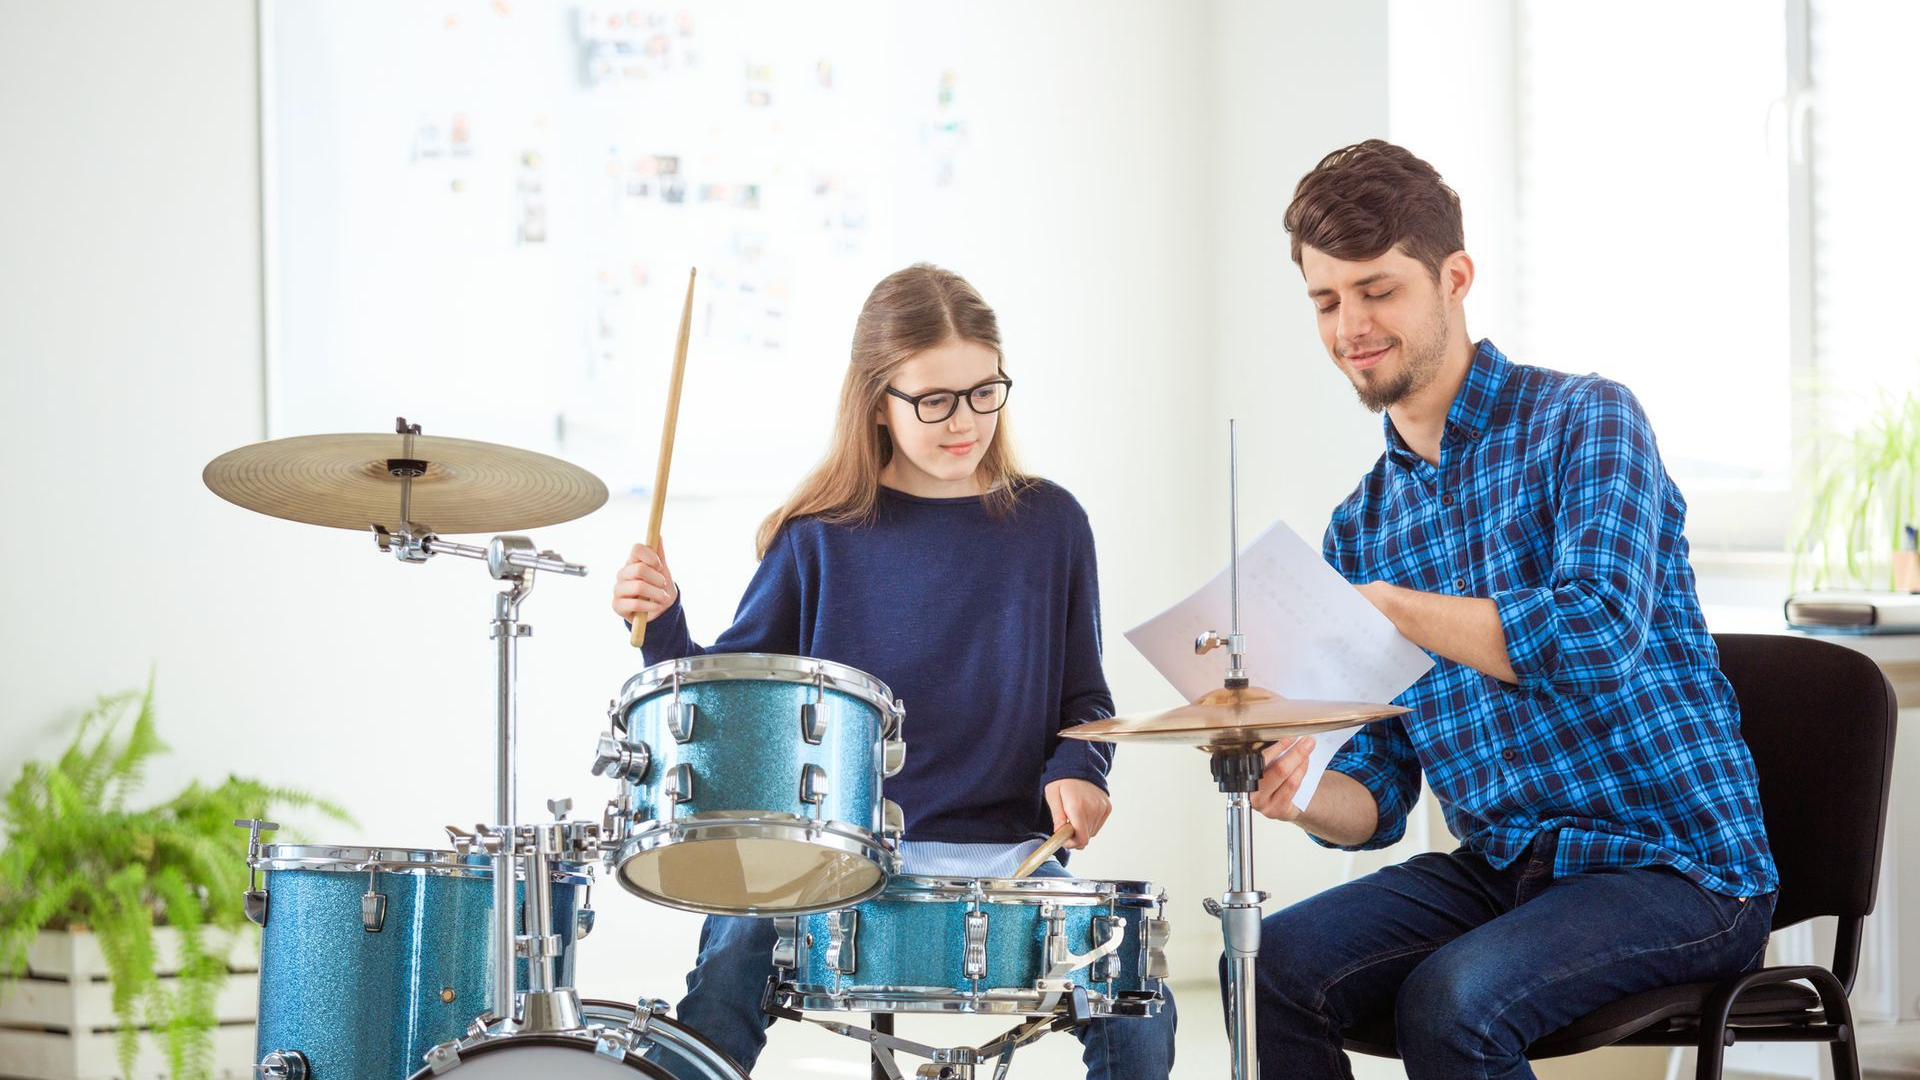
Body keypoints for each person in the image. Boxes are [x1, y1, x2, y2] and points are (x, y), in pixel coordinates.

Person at [1232, 140, 1777, 1080]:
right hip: (1506, 869)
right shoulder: (1359, 528)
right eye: (1326, 300)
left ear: (1455, 278)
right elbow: (1380, 788)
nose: (1349, 325)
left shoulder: (1589, 421)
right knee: (1267, 966)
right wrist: (1299, 789)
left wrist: (1395, 611)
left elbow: (1595, 635)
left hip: (1674, 867)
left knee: (1450, 1003)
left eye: (1377, 290)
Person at [612, 263, 1177, 1078]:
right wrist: (660, 620)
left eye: (986, 392)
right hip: (837, 859)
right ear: (878, 400)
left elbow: (1085, 697)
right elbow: (724, 703)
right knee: (731, 959)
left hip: (1007, 854)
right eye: (935, 400)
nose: (966, 421)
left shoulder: (1050, 523)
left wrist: (1081, 770)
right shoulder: (818, 536)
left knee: (1139, 997)